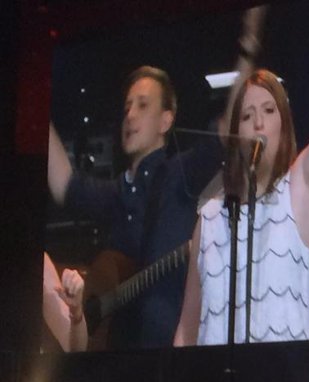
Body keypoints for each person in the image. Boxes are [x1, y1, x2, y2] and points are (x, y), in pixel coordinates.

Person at [46, 9, 264, 348]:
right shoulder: (117, 192)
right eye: (127, 106)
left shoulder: (180, 171)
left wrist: (249, 44)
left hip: (169, 353)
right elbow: (63, 183)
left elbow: (228, 128)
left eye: (143, 105)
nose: (129, 114)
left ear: (166, 120)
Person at [175, 3, 309, 345]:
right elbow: (188, 330)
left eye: (268, 110)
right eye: (247, 116)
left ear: (284, 126)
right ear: (236, 133)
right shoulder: (211, 216)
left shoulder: (301, 190)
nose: (258, 122)